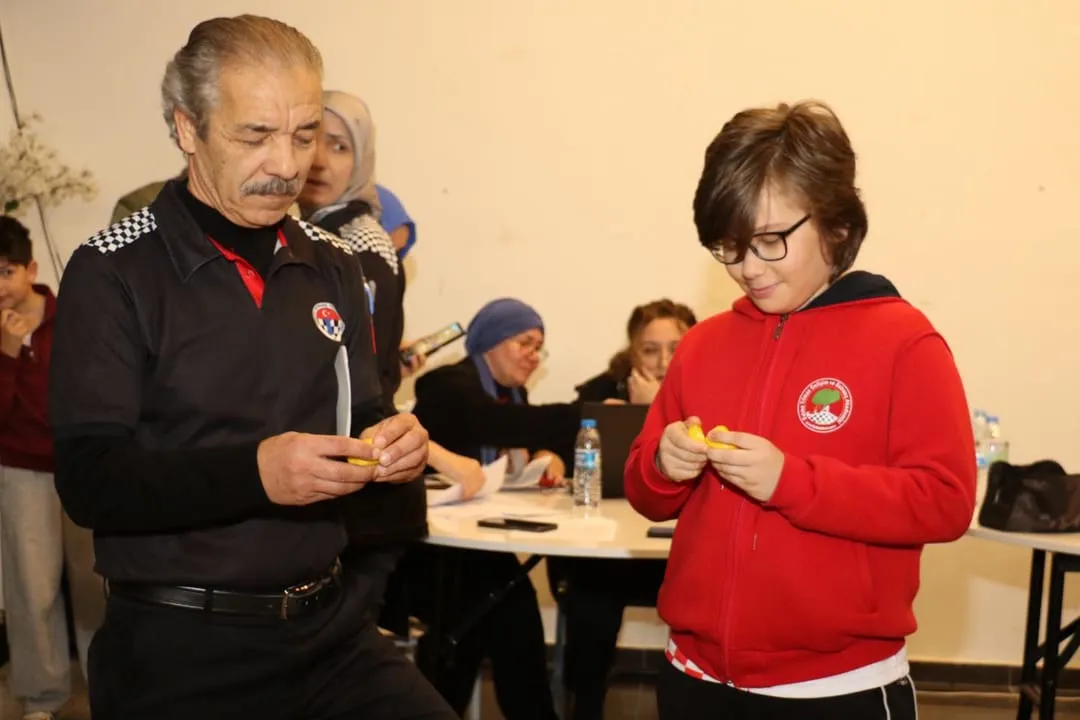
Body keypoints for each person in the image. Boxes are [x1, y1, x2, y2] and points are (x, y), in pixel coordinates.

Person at [48, 15, 455, 719]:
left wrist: (395, 442)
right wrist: (257, 474)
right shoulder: (113, 269)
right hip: (181, 646)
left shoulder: (333, 263)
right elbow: (90, 481)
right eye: (256, 135)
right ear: (188, 129)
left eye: (304, 135)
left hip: (329, 631)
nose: (288, 164)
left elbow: (363, 412)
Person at [625, 100, 975, 720]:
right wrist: (662, 464)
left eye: (770, 241)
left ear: (836, 224)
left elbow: (944, 501)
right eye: (730, 247)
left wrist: (793, 481)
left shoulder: (904, 341)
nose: (747, 268)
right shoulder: (702, 345)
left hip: (836, 688)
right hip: (693, 678)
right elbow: (645, 493)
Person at [297, 89, 484, 617]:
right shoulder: (308, 234)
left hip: (362, 500)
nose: (320, 159)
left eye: (340, 146)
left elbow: (358, 385)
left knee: (333, 649)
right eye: (310, 138)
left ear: (362, 161)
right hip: (337, 487)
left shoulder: (357, 243)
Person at [407, 298, 580, 718]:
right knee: (504, 607)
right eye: (525, 343)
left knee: (491, 609)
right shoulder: (446, 385)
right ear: (491, 341)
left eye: (539, 347)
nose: (534, 355)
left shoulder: (513, 395)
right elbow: (494, 424)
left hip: (476, 551)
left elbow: (528, 434)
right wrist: (586, 415)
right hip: (424, 552)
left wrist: (550, 456)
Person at [549, 298, 697, 720]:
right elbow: (562, 443)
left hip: (682, 551)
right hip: (614, 548)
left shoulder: (710, 385)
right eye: (650, 350)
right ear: (632, 351)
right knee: (591, 597)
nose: (663, 362)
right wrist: (551, 456)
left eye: (675, 349)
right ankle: (585, 706)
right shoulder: (602, 389)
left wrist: (655, 406)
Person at [0, 216, 103, 720]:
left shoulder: (72, 317)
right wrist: (8, 354)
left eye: (5, 271)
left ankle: (107, 684)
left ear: (31, 270)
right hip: (22, 469)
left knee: (93, 584)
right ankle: (42, 697)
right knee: (32, 586)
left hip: (82, 465)